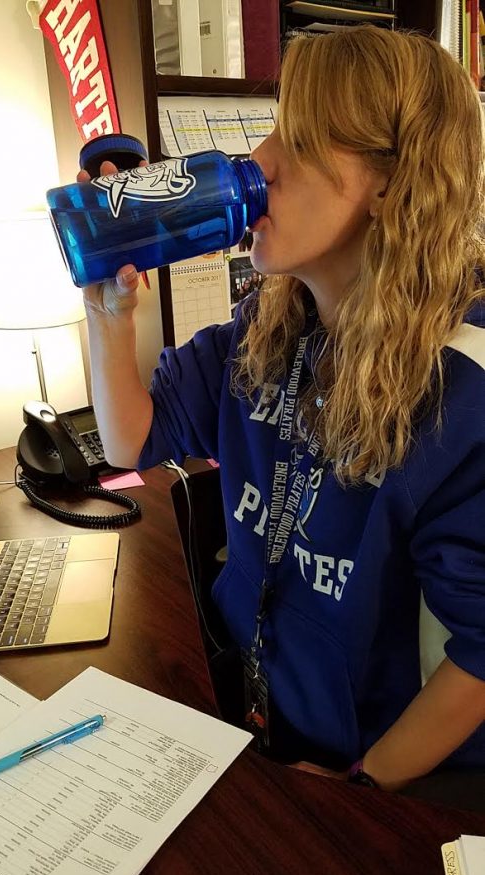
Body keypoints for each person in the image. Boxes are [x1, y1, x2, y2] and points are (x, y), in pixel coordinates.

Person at [79, 25, 485, 791]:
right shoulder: (268, 329)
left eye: (297, 142)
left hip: (385, 777)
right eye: (271, 130)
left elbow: (481, 653)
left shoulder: (463, 393)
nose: (257, 164)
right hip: (262, 723)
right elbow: (132, 441)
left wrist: (361, 787)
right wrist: (110, 314)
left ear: (395, 183)